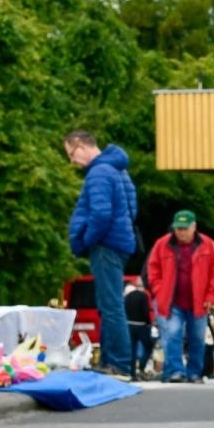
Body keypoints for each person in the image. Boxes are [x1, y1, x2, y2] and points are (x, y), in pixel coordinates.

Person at [65, 129, 138, 379]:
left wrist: (86, 240)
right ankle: (110, 362)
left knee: (111, 306)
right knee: (111, 305)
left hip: (106, 246)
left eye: (72, 154)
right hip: (120, 244)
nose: (72, 161)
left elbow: (100, 214)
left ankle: (118, 364)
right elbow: (132, 206)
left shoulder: (98, 173)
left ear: (81, 146)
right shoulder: (118, 169)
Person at [146, 210, 214, 383]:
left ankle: (194, 373)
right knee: (173, 335)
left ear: (194, 227)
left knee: (197, 338)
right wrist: (158, 290)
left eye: (185, 228)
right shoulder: (162, 244)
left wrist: (211, 296)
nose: (181, 232)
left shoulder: (207, 244)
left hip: (199, 302)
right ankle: (175, 371)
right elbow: (153, 269)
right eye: (178, 228)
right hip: (171, 301)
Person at [124, 282, 155, 379]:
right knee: (149, 347)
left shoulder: (127, 297)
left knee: (132, 350)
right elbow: (145, 311)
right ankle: (141, 366)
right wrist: (149, 323)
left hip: (129, 325)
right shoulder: (143, 296)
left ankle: (132, 373)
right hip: (141, 326)